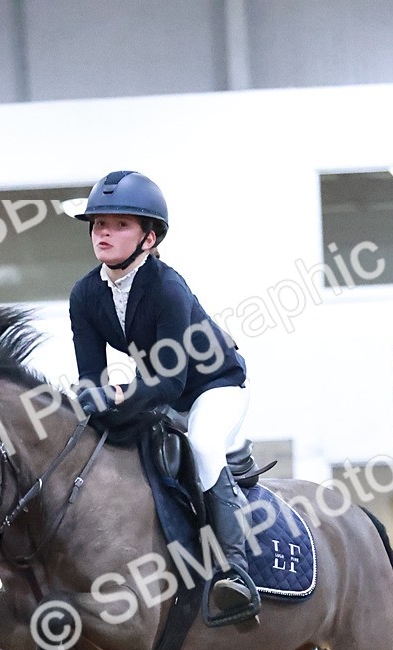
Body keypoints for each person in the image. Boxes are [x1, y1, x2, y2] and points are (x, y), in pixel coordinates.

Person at [68, 169, 259, 622]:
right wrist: (90, 401)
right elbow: (90, 378)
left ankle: (235, 572)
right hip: (157, 389)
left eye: (120, 225)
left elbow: (172, 385)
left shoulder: (168, 287)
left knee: (203, 445)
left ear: (149, 238)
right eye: (99, 224)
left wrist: (114, 396)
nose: (103, 233)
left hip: (214, 387)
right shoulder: (85, 294)